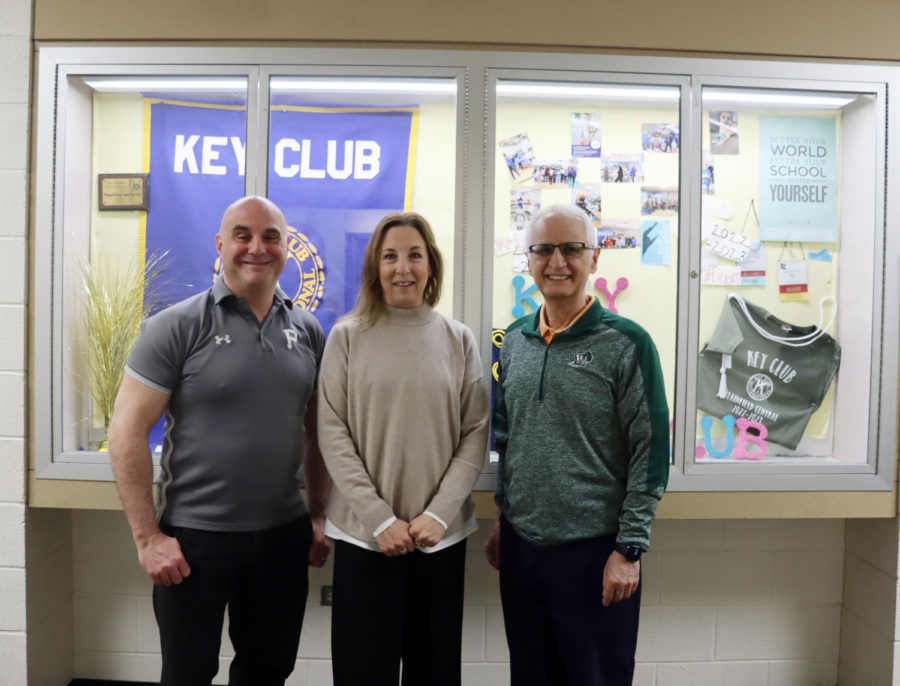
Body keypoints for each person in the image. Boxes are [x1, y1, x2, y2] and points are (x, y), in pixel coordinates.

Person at [108, 196, 331, 685]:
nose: (257, 247)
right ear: (221, 244)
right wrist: (148, 539)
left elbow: (317, 433)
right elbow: (125, 433)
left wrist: (318, 514)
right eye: (243, 235)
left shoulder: (309, 330)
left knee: (267, 672)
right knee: (188, 674)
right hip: (193, 544)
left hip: (281, 538)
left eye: (271, 236)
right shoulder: (175, 327)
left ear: (286, 247)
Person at [485, 204, 669, 686]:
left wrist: (629, 549)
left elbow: (650, 450)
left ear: (595, 258)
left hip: (597, 556)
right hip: (522, 553)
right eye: (544, 249)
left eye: (571, 249)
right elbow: (508, 437)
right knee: (529, 675)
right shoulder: (515, 343)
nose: (557, 261)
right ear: (528, 260)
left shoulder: (627, 344)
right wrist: (504, 518)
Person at [317, 211, 490, 686]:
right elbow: (333, 433)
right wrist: (379, 518)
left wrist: (438, 514)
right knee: (361, 673)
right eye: (390, 256)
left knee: (434, 673)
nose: (403, 268)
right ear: (375, 266)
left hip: (440, 540)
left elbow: (475, 432)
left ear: (431, 265)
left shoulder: (458, 340)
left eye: (415, 255)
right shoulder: (346, 338)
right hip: (364, 537)